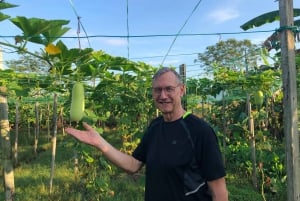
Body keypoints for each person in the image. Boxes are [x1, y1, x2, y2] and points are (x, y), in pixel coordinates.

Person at [65, 67, 228, 201]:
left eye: (169, 89)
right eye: (157, 90)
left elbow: (219, 192)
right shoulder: (155, 126)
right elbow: (133, 165)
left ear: (182, 90)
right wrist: (99, 142)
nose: (163, 96)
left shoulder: (200, 131)